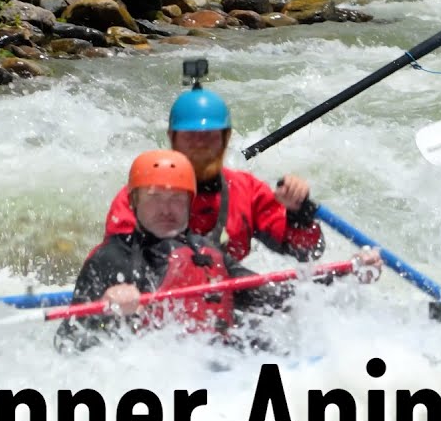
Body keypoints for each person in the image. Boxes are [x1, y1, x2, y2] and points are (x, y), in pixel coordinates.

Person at [105, 66, 383, 273]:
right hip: (160, 297)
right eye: (191, 137)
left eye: (210, 136)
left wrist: (298, 214)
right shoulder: (140, 195)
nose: (200, 146)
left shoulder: (246, 191)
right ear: (172, 138)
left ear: (226, 139)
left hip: (226, 296)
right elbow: (112, 263)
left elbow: (306, 251)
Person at [57, 151, 298, 353]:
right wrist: (105, 310)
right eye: (154, 198)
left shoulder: (205, 251)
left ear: (189, 203)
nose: (166, 209)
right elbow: (67, 342)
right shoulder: (110, 258)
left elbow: (268, 297)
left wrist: (313, 289)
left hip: (219, 367)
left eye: (176, 198)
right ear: (133, 202)